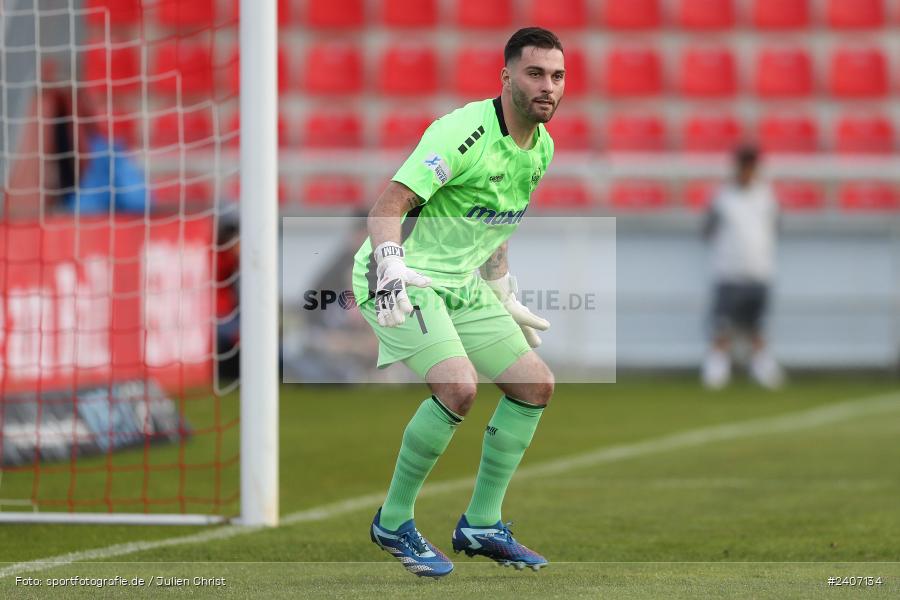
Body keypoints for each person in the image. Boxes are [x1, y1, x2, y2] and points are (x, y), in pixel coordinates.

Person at [350, 27, 564, 577]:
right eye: (535, 73)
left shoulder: (541, 147)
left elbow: (495, 224)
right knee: (458, 386)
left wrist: (501, 290)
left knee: (535, 385)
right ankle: (393, 521)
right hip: (401, 274)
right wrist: (390, 266)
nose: (547, 86)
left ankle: (482, 524)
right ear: (507, 77)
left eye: (557, 76)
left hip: (461, 284)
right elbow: (386, 208)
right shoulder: (463, 132)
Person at [701, 144, 784, 390]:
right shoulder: (722, 197)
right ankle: (717, 367)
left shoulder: (766, 196)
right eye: (744, 166)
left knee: (758, 325)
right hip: (728, 272)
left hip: (759, 270)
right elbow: (708, 230)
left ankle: (761, 366)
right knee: (722, 325)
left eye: (751, 166)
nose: (747, 171)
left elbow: (775, 227)